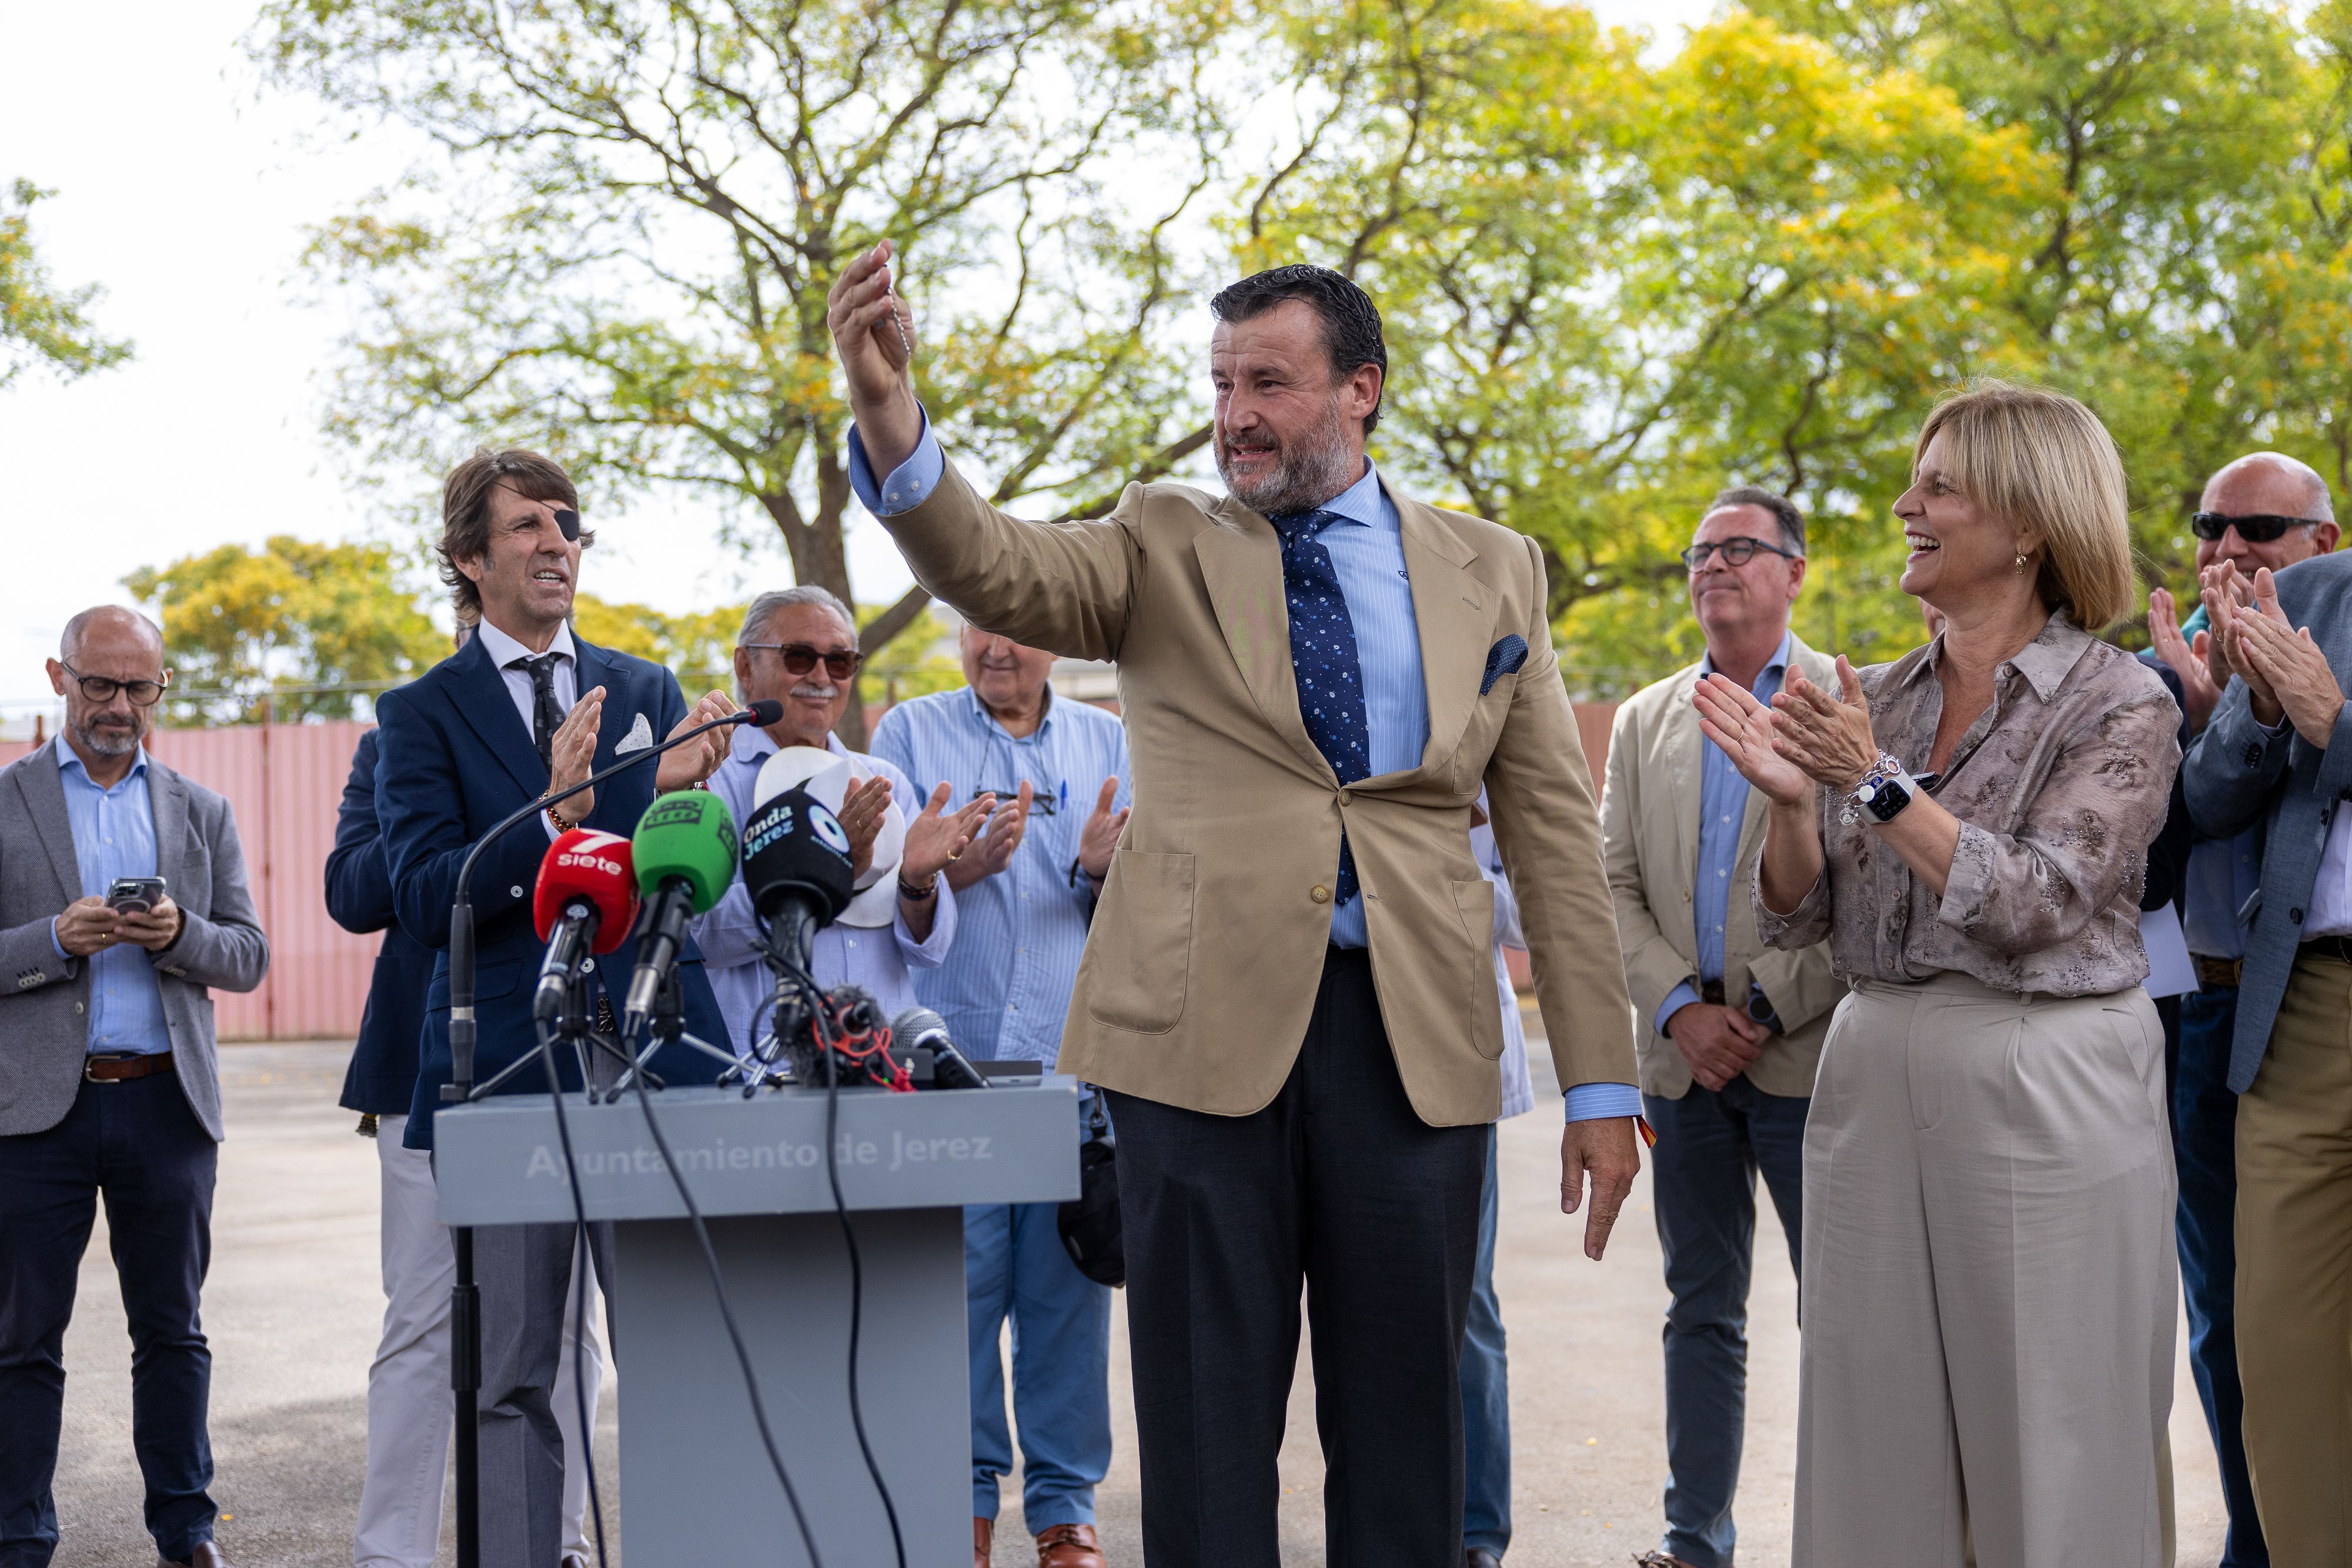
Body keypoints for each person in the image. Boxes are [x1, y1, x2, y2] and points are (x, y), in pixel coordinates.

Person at [830, 248, 1642, 1568]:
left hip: (1411, 1044)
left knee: (1406, 1433)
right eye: (1220, 383)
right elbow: (997, 567)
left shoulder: (1493, 570)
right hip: (1193, 1052)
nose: (1235, 413)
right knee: (1206, 1439)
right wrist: (890, 420)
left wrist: (1602, 1085)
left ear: (1359, 392)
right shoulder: (1160, 538)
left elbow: (1550, 830)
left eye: (1268, 380)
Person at [1693, 382, 2180, 1564]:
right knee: (1870, 1431)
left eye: (1938, 486)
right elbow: (1805, 918)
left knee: (2052, 1435)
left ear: (2026, 524)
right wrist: (1790, 808)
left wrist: (1868, 784)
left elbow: (2037, 901)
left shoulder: (2120, 699)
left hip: (2044, 1080)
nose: (1904, 505)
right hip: (1869, 1075)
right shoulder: (1884, 698)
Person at [372, 447, 736, 1568]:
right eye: (526, 525)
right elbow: (429, 893)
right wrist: (547, 817)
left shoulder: (643, 691)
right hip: (505, 1065)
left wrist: (678, 806)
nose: (554, 542)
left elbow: (674, 877)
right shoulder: (418, 713)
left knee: (678, 1360)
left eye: (567, 524)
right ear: (469, 558)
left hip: (645, 1056)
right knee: (516, 1368)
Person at [0, 606, 271, 1568]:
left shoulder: (201, 810)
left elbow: (247, 955)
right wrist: (50, 942)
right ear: (58, 675)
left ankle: (186, 1531)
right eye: (99, 686)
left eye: (140, 688)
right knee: (22, 1339)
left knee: (173, 1332)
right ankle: (19, 1535)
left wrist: (179, 935)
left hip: (167, 1105)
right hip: (38, 1116)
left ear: (162, 687)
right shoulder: (7, 800)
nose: (120, 707)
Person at [1601, 489, 1840, 1568]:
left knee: (1843, 1312)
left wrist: (1762, 1007)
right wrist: (1680, 1011)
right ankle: (1692, 1540)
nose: (1714, 566)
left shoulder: (1851, 702)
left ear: (1796, 571)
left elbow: (1877, 889)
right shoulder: (1649, 717)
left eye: (1740, 549)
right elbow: (1609, 885)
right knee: (1701, 1307)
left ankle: (1851, 1534)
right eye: (1700, 552)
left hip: (1804, 1056)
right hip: (1679, 1063)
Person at [870, 623, 1131, 1568]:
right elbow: (886, 894)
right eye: (978, 626)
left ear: (1056, 641)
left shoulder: (1109, 743)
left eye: (1017, 630)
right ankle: (964, 1500)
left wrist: (1101, 872)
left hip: (1071, 1074)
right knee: (961, 1298)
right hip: (951, 1076)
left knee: (1067, 1298)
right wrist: (943, 872)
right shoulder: (908, 731)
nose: (996, 647)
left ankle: (1065, 1510)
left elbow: (1142, 905)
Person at [328, 712, 610, 1568]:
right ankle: (391, 1554)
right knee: (421, 1318)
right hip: (424, 1067)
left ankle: (557, 1541)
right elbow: (353, 891)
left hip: (570, 1066)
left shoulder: (608, 730)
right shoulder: (400, 736)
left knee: (566, 1324)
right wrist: (507, 815)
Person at [2144, 451, 2338, 1568]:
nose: (2229, 547)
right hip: (2197, 1019)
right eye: (2213, 524)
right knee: (2229, 1308)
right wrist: (2215, 716)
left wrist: (2285, 708)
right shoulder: (2150, 674)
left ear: (2324, 541)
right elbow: (2156, 853)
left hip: (2299, 1004)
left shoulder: (2337, 647)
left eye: (2259, 526)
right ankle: (2258, 1538)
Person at [689, 586, 990, 1056]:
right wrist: (824, 867)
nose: (822, 676)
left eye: (841, 661)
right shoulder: (710, 779)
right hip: (764, 1072)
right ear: (745, 666)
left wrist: (917, 880)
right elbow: (700, 934)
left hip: (884, 1069)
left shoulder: (883, 780)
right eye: (799, 656)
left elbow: (930, 949)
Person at [1459, 810, 1535, 1568]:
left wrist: (1446, 846)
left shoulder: (1494, 764)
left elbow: (1527, 922)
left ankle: (1478, 1529)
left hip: (1461, 1063)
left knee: (1466, 1302)